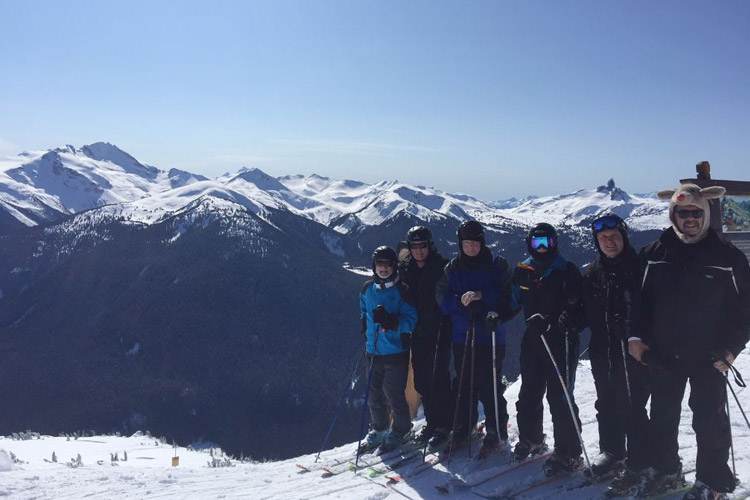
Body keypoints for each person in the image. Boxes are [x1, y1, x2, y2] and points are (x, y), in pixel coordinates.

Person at [629, 184, 750, 500]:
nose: (691, 219)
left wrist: (730, 350)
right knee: (663, 417)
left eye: (697, 212)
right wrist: (635, 338)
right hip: (664, 353)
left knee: (710, 423)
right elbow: (639, 303)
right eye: (684, 213)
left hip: (710, 355)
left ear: (706, 214)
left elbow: (744, 311)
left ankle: (712, 484)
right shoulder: (653, 255)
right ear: (673, 215)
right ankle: (666, 471)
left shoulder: (728, 258)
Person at [497, 222, 586, 476]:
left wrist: (568, 320)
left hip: (561, 341)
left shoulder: (566, 271)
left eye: (547, 242)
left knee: (560, 397)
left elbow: (580, 308)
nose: (543, 248)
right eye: (538, 243)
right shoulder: (523, 271)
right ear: (529, 244)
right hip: (533, 339)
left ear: (555, 243)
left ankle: (568, 452)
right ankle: (531, 438)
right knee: (528, 392)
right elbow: (512, 302)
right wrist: (496, 314)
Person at [582, 214, 650, 483]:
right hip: (602, 348)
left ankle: (639, 460)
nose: (609, 242)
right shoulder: (593, 271)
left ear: (624, 238)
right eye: (603, 238)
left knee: (632, 405)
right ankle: (611, 452)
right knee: (606, 402)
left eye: (614, 237)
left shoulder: (640, 267)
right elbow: (584, 310)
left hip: (633, 349)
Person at [436, 220, 511, 457]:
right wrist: (459, 302)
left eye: (474, 243)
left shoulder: (496, 265)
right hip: (463, 334)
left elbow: (509, 294)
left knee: (490, 386)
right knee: (464, 383)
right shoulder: (452, 268)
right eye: (466, 244)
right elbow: (441, 297)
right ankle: (464, 426)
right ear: (461, 244)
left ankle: (496, 431)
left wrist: (483, 298)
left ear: (482, 243)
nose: (470, 248)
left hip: (490, 335)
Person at [398, 226, 454, 450]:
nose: (419, 250)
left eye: (423, 246)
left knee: (439, 378)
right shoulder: (406, 268)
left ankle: (445, 425)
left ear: (430, 246)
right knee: (421, 379)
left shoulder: (442, 267)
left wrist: (447, 318)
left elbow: (452, 295)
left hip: (440, 329)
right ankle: (432, 422)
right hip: (417, 331)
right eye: (414, 246)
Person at [359, 245, 419, 452]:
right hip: (373, 351)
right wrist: (363, 323)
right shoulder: (368, 288)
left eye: (388, 264)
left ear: (395, 267)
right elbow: (363, 307)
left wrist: (392, 322)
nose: (383, 268)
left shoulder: (402, 291)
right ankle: (380, 428)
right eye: (379, 264)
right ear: (373, 266)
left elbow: (412, 321)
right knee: (374, 394)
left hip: (395, 351)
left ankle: (402, 430)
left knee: (393, 394)